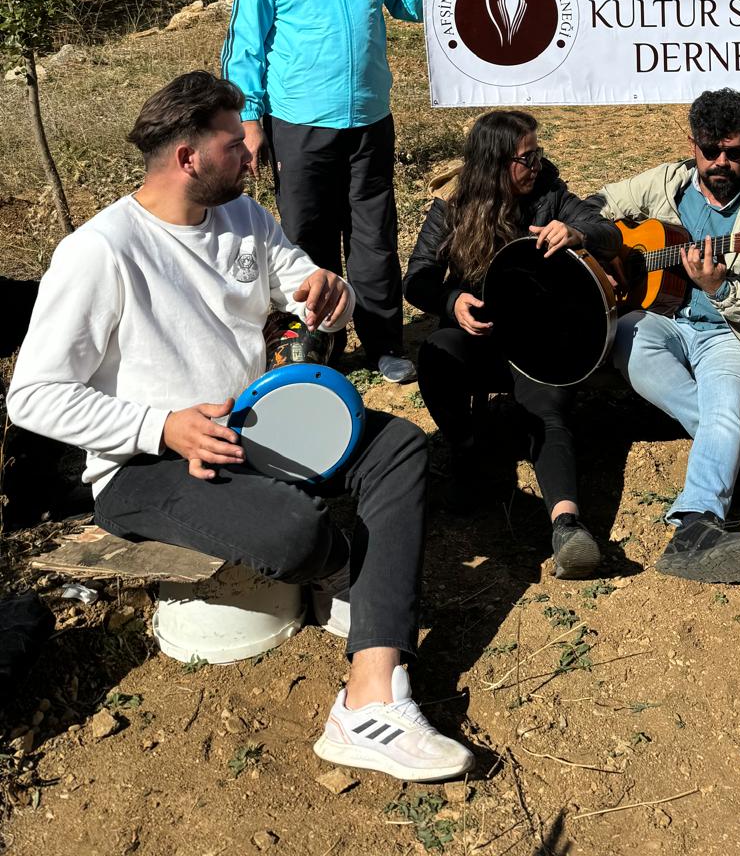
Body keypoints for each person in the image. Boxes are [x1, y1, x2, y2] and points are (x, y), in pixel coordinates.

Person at [7, 72, 472, 785]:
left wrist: (330, 293)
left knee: (398, 445)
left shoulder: (244, 220)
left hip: (249, 427)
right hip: (141, 466)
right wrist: (160, 426)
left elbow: (301, 286)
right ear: (188, 158)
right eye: (236, 145)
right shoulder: (101, 251)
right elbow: (34, 397)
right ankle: (351, 570)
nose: (255, 155)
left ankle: (369, 698)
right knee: (295, 534)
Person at [222, 0, 433, 383]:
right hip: (298, 120)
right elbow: (246, 42)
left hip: (368, 119)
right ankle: (319, 347)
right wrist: (249, 119)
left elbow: (409, 6)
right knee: (307, 237)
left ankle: (385, 343)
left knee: (374, 236)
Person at [405, 110, 621, 579]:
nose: (537, 164)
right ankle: (468, 450)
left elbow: (611, 232)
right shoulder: (453, 203)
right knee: (436, 356)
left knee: (548, 414)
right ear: (497, 163)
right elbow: (417, 280)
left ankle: (567, 525)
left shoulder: (550, 193)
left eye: (537, 153)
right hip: (479, 337)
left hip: (541, 343)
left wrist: (578, 231)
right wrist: (452, 299)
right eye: (527, 157)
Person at [593, 89, 740, 584]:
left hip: (734, 334)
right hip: (662, 320)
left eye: (736, 152)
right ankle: (733, 450)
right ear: (692, 143)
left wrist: (720, 285)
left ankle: (695, 527)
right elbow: (597, 204)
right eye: (711, 150)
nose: (722, 163)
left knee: (724, 403)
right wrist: (608, 255)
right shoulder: (668, 181)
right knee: (626, 340)